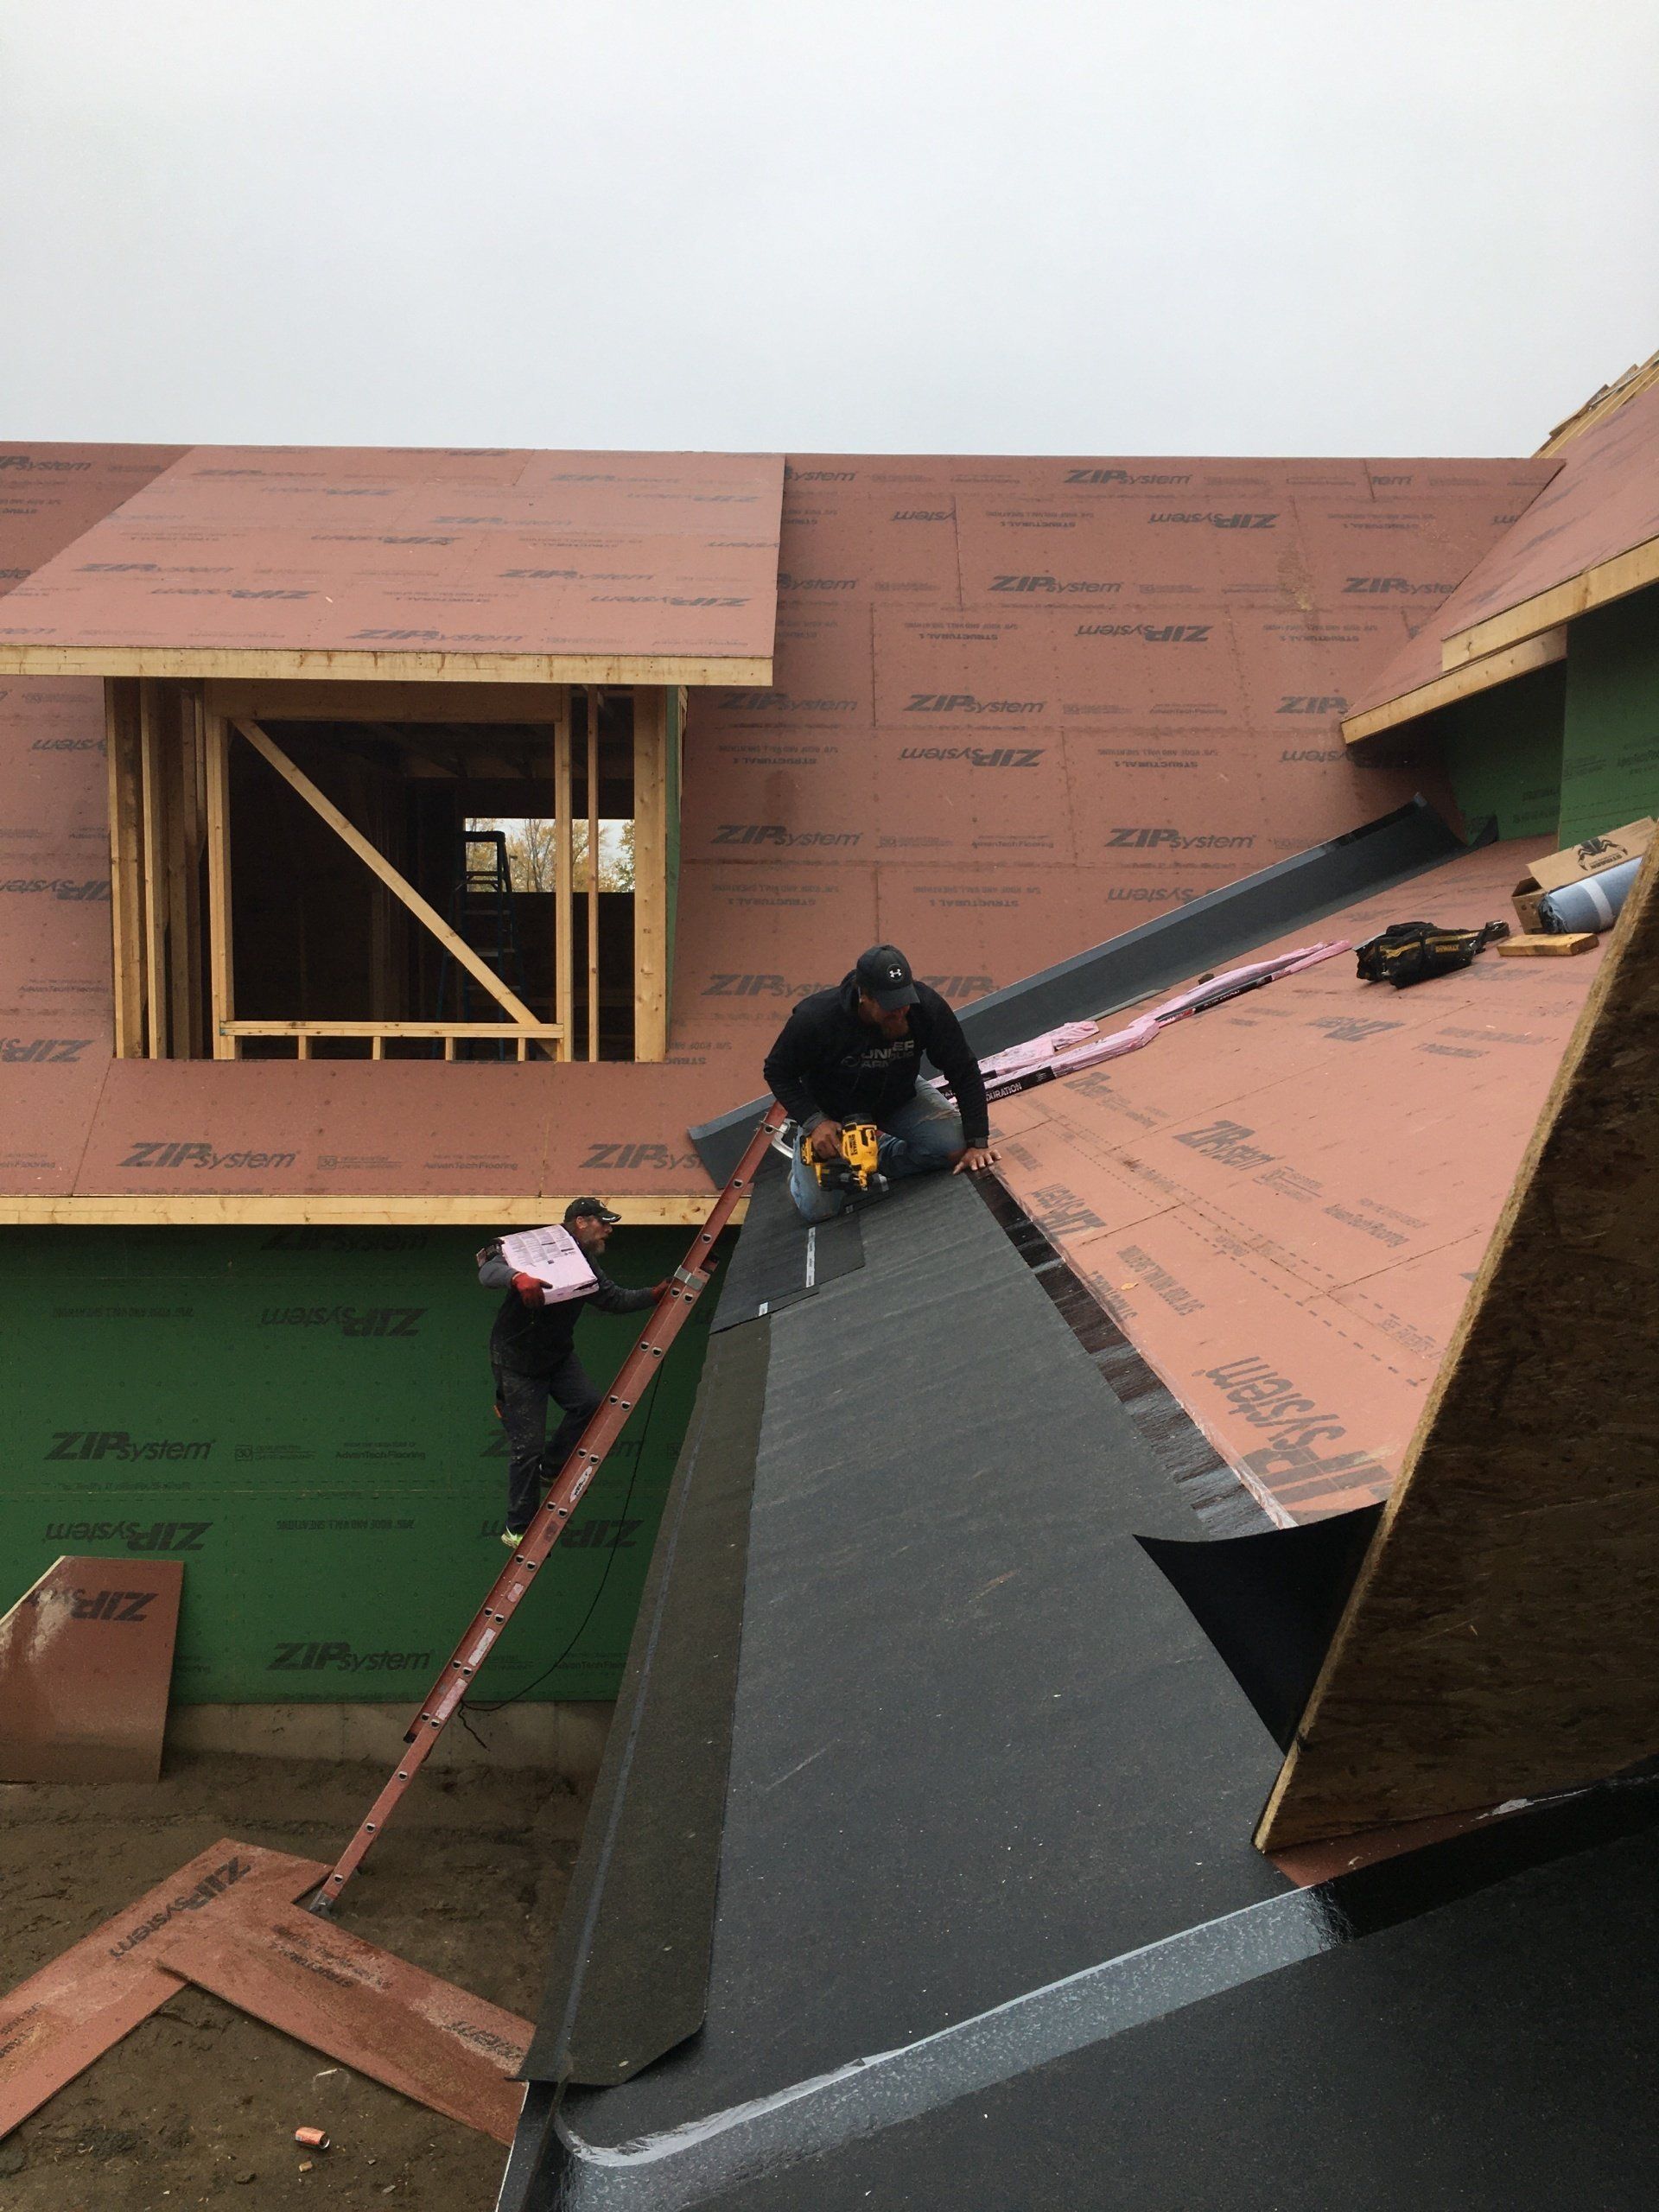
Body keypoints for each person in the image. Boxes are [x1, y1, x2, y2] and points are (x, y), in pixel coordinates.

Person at [477, 1198, 669, 1547]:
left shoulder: (584, 1260)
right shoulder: (534, 1247)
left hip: (557, 1356)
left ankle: (550, 1468)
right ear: (581, 1221)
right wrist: (518, 1278)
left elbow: (610, 1298)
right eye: (604, 1223)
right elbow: (487, 1270)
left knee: (589, 1405)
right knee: (527, 1446)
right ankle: (516, 1529)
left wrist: (653, 1295)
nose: (609, 1230)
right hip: (517, 1363)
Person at [762, 944, 1000, 1224]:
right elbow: (777, 1071)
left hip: (900, 1097)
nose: (900, 1012)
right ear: (864, 996)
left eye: (904, 1001)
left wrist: (978, 1141)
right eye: (890, 1006)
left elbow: (964, 1069)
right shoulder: (816, 1019)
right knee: (818, 1210)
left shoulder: (926, 1008)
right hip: (833, 1114)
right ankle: (800, 1179)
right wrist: (814, 1121)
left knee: (955, 1147)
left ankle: (877, 1158)